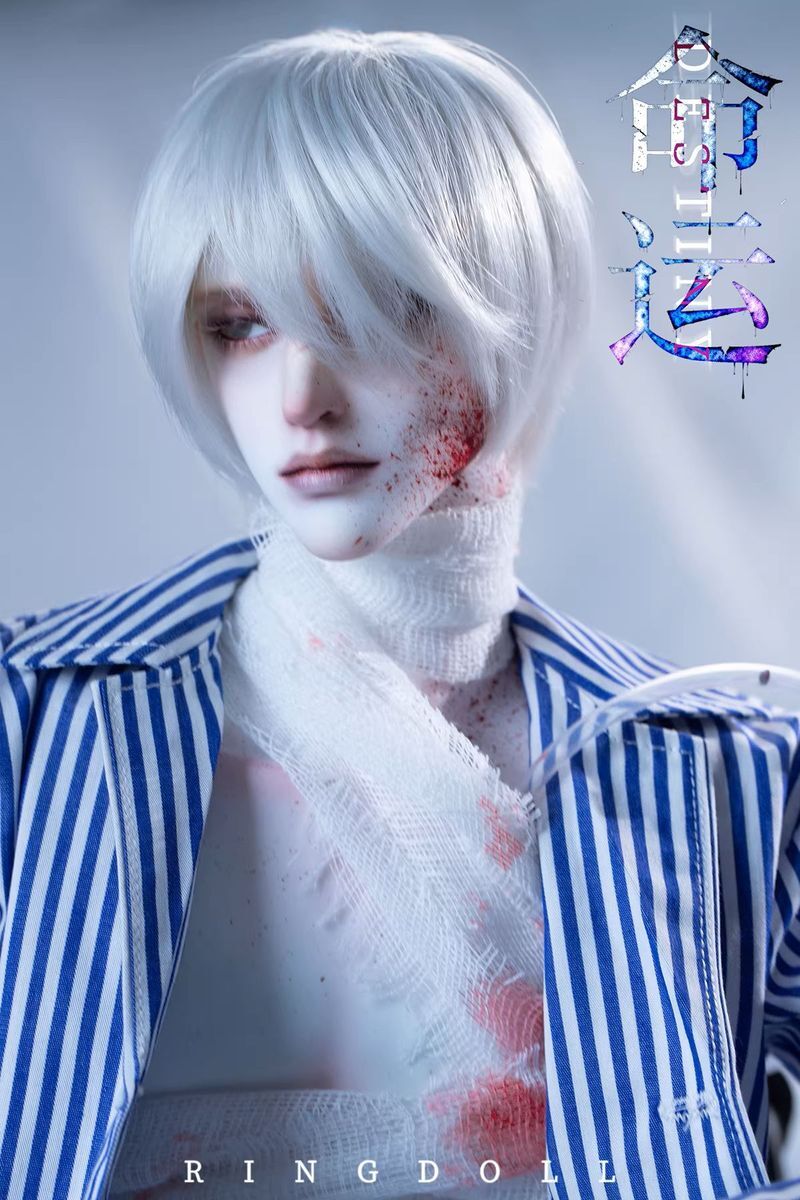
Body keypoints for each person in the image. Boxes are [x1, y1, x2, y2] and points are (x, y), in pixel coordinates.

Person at [0, 25, 799, 1200]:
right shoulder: (34, 726)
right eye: (241, 324)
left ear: (509, 310)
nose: (302, 399)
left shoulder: (731, 767)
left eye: (375, 313)